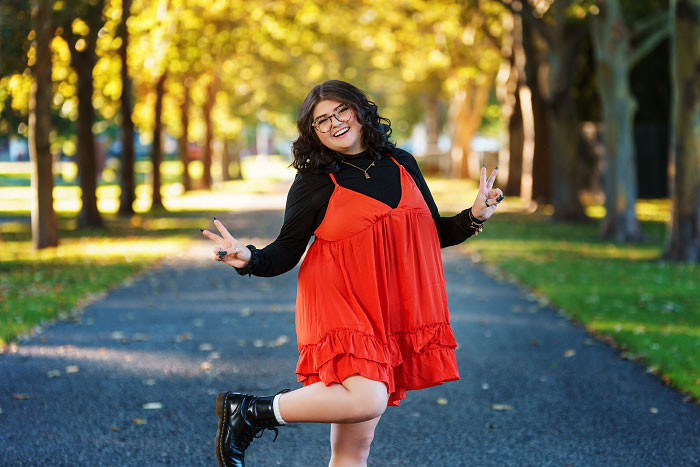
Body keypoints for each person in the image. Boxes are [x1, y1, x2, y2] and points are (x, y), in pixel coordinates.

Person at [202, 80, 503, 467]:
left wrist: (475, 216)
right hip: (338, 303)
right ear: (313, 133)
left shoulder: (402, 164)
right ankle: (250, 411)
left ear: (360, 111)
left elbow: (429, 234)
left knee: (353, 448)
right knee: (367, 398)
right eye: (320, 121)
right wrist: (250, 258)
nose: (333, 124)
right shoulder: (313, 181)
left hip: (387, 308)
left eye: (340, 111)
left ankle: (249, 412)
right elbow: (287, 251)